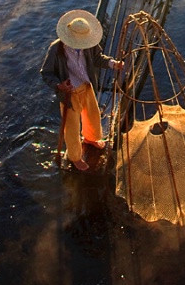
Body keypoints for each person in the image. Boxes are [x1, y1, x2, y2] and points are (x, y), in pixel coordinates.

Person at [40, 10, 123, 171]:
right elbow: (46, 73)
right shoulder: (56, 49)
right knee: (71, 126)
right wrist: (59, 86)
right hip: (69, 93)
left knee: (92, 115)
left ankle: (90, 139)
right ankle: (75, 157)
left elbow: (98, 58)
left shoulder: (89, 44)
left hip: (86, 86)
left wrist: (114, 63)